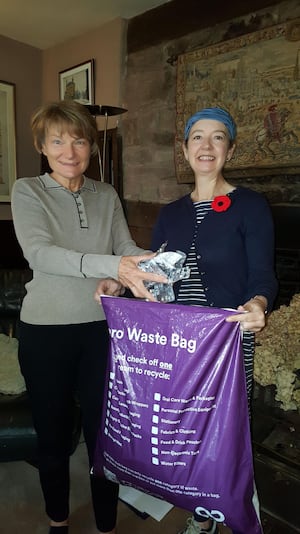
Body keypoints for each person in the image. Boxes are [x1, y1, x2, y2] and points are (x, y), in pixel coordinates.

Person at [11, 99, 167, 534]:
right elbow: (40, 253)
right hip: (45, 332)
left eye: (79, 140)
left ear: (91, 147)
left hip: (102, 329)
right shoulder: (28, 190)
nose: (70, 151)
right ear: (42, 146)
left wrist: (156, 260)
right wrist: (113, 267)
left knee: (105, 434)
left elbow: (123, 248)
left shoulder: (106, 194)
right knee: (53, 435)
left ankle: (104, 523)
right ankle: (58, 520)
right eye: (58, 141)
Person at [150, 107, 278, 534]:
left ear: (230, 149)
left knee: (224, 432)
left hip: (227, 340)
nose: (207, 146)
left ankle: (225, 508)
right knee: (185, 424)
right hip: (180, 342)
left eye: (218, 137)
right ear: (186, 150)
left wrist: (259, 302)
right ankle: (198, 507)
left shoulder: (251, 206)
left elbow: (262, 275)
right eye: (197, 137)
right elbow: (157, 276)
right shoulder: (170, 214)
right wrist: (123, 285)